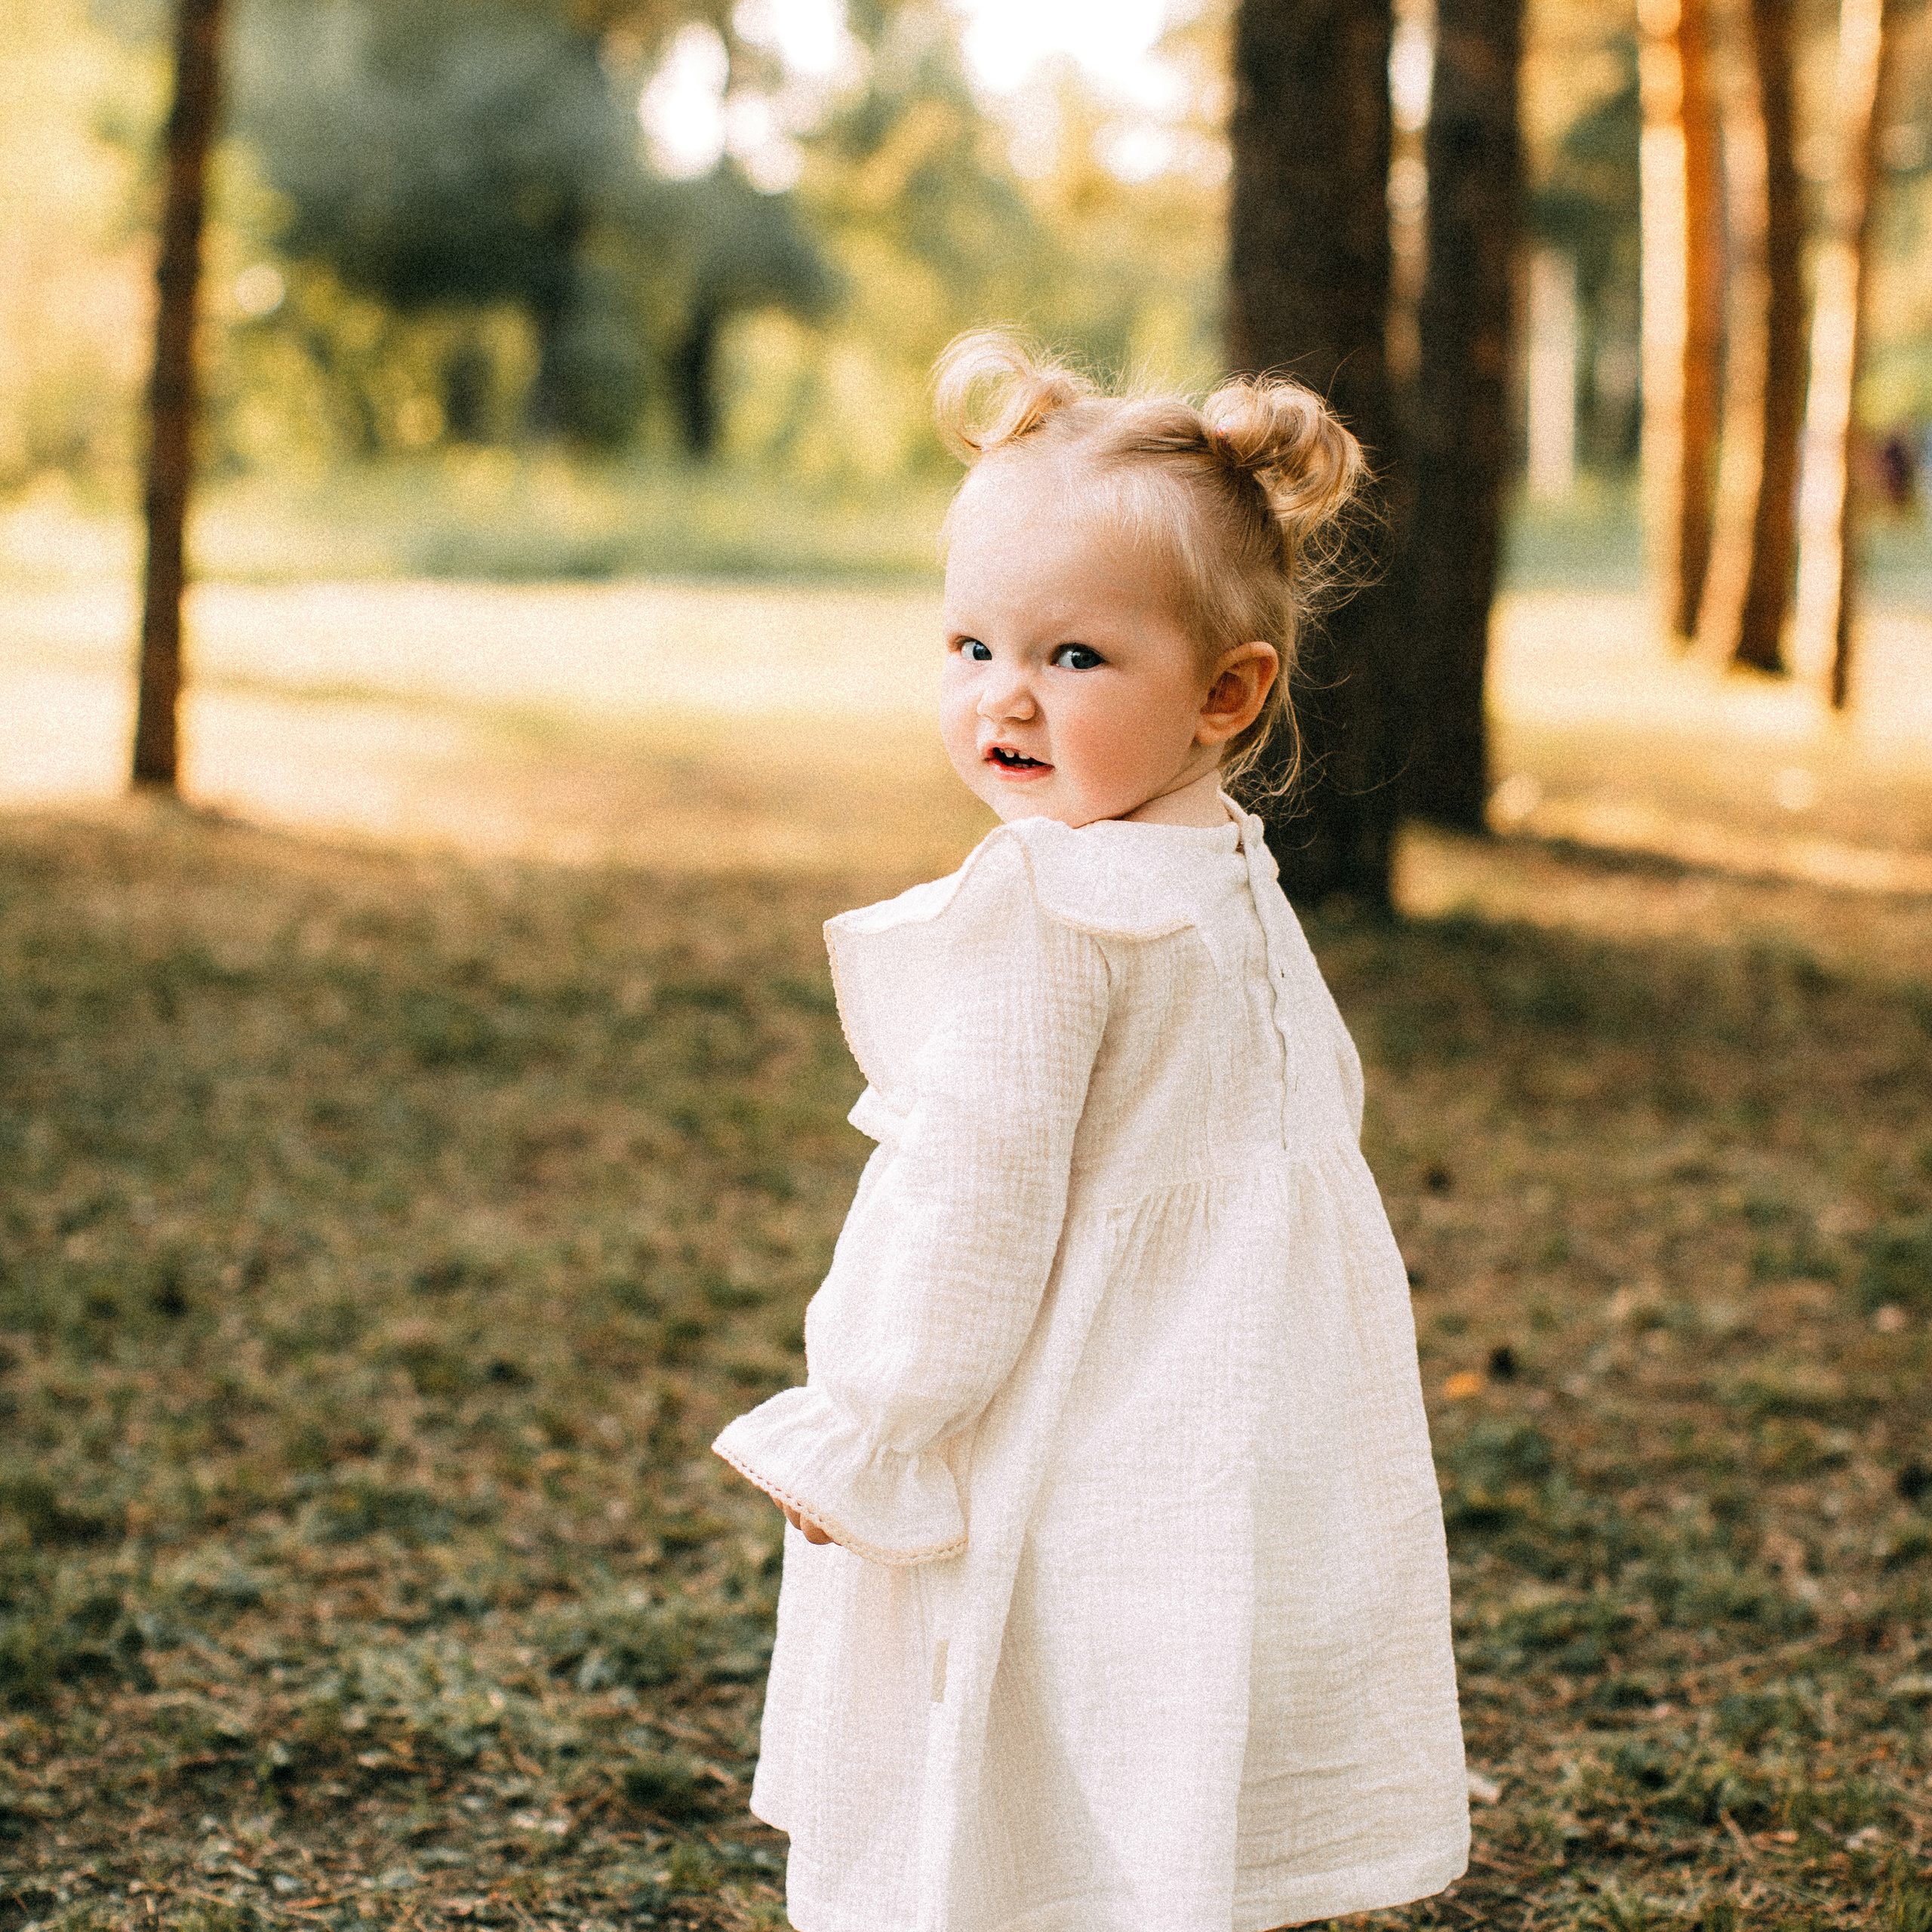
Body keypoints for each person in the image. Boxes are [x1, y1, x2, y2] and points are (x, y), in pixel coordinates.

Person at [712, 329, 1467, 1932]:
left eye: (1071, 659)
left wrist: (873, 1415)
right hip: (1209, 1418)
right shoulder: (1226, 872)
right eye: (970, 642)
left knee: (1007, 1736)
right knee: (1146, 1727)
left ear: (1224, 690)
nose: (1002, 696)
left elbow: (968, 1201)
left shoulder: (1051, 910)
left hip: (1071, 1434)